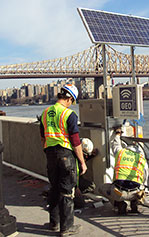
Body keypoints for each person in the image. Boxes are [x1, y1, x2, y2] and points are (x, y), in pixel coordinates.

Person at [40, 84, 87, 237]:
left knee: (54, 188)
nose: (71, 104)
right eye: (72, 101)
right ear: (69, 98)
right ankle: (66, 228)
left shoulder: (45, 112)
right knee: (67, 191)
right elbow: (75, 140)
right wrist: (82, 161)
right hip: (66, 154)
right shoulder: (69, 114)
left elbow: (43, 137)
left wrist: (48, 151)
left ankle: (54, 223)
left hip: (50, 153)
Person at [99, 124, 149, 215]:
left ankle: (119, 204)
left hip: (119, 192)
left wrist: (117, 133)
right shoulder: (141, 157)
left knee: (101, 188)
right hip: (135, 192)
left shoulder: (121, 153)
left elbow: (115, 144)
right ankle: (135, 202)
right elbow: (145, 175)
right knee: (139, 188)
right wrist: (143, 188)